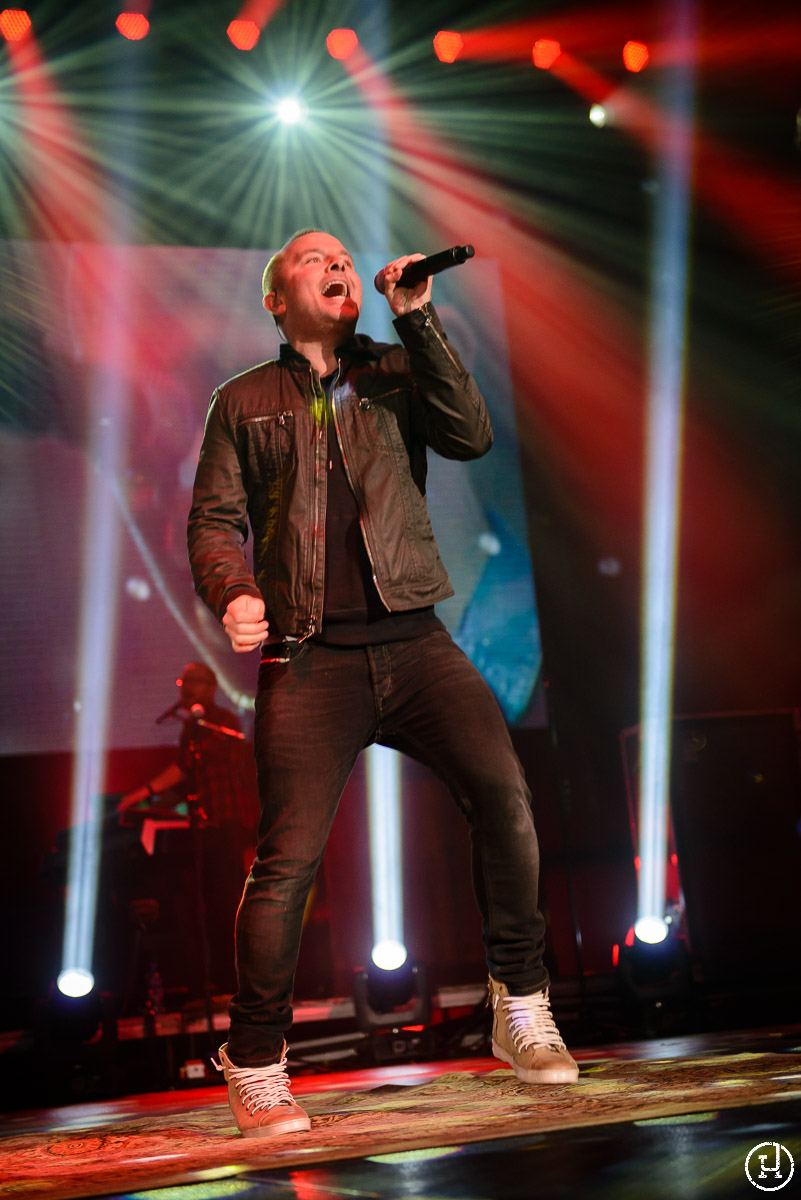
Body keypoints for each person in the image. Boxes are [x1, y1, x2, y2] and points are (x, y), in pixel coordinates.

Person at [187, 229, 578, 1138]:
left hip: (415, 641)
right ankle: (256, 1064)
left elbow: (472, 436)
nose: (335, 264)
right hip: (308, 656)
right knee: (285, 865)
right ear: (276, 299)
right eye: (310, 257)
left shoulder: (397, 370)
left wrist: (421, 322)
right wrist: (234, 589)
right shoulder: (242, 401)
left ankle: (519, 1009)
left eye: (342, 258)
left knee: (505, 796)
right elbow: (213, 518)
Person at [117, 662, 257, 996]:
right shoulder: (191, 730)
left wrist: (143, 792)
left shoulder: (221, 722)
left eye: (193, 681)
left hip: (226, 828)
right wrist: (154, 806)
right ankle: (209, 982)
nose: (185, 687)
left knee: (227, 906)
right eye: (183, 681)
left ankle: (232, 983)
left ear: (210, 687)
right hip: (202, 832)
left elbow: (184, 768)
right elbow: (188, 781)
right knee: (201, 908)